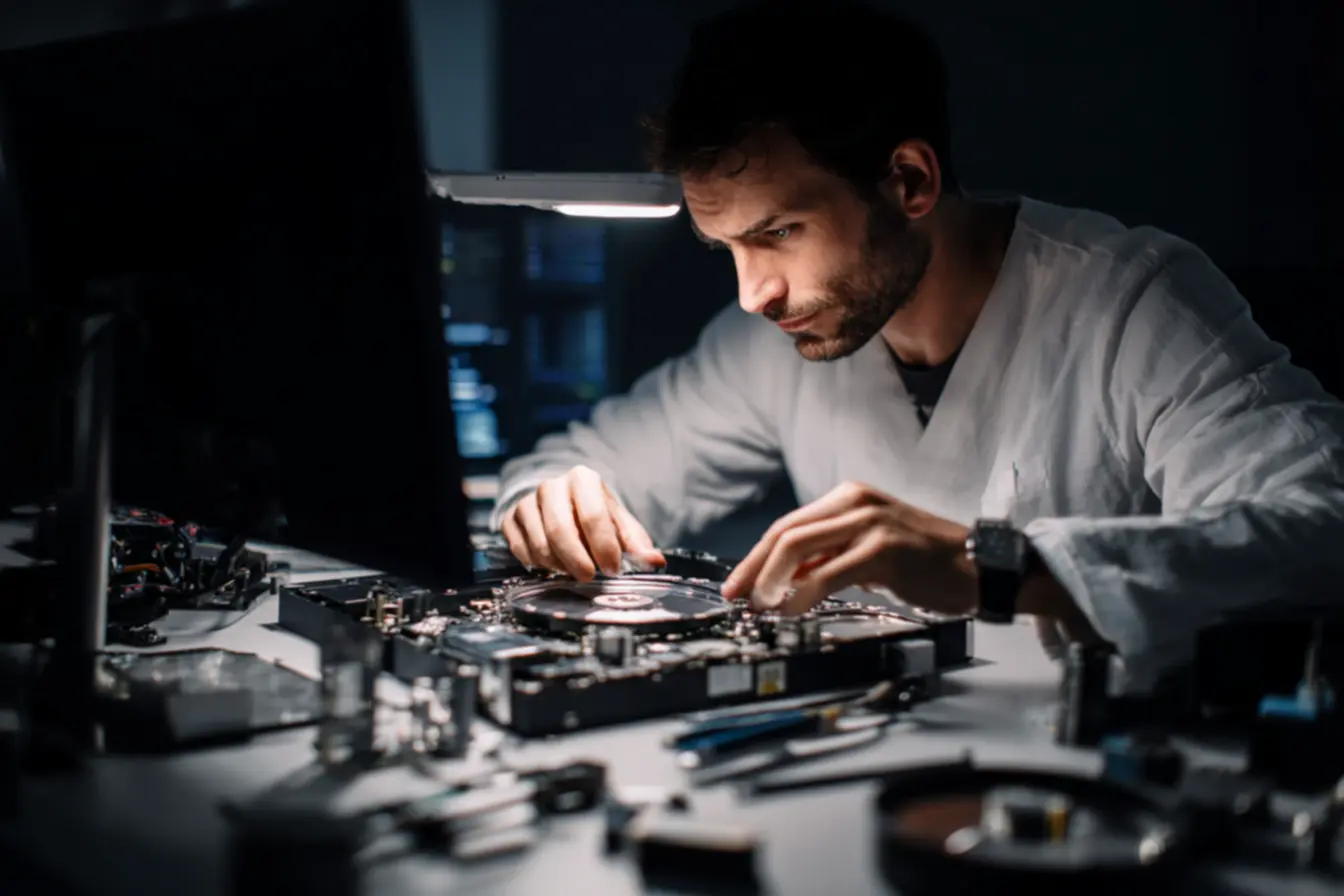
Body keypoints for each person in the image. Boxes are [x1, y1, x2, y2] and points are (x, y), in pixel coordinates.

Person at [491, 0, 1344, 693]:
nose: (754, 294)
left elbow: (1322, 525)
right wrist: (553, 502)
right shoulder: (771, 341)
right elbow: (569, 465)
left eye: (779, 232)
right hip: (856, 758)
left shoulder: (1129, 301)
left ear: (909, 181)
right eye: (728, 249)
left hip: (1091, 784)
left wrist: (995, 565)